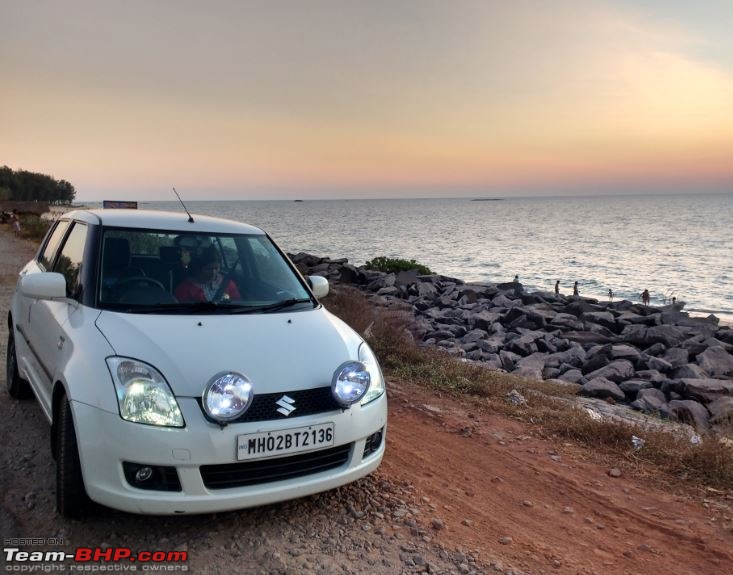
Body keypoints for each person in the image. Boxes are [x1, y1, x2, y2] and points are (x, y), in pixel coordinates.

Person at [175, 247, 240, 302]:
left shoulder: (227, 284)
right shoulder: (185, 289)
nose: (213, 273)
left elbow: (237, 304)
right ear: (198, 269)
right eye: (209, 269)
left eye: (216, 268)